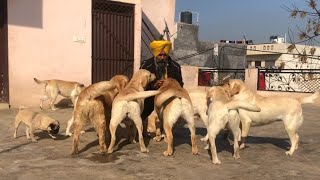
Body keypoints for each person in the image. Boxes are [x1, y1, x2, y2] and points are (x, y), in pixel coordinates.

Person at [140, 40, 184, 121]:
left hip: (168, 96)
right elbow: (140, 84)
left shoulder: (175, 67)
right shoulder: (146, 65)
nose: (162, 58)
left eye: (165, 55)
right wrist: (154, 85)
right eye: (160, 55)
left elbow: (180, 85)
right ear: (155, 54)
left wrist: (169, 84)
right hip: (150, 96)